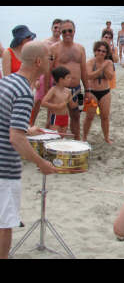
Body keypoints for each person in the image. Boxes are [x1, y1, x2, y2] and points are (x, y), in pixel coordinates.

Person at [0, 41, 58, 259]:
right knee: (5, 224)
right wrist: (40, 162)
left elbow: (7, 120)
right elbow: (16, 139)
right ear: (38, 61)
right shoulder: (25, 92)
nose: (52, 61)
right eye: (50, 57)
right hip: (5, 168)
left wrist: (26, 127)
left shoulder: (7, 82)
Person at [50, 19, 90, 141]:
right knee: (54, 117)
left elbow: (84, 71)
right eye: (64, 31)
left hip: (76, 90)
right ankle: (53, 142)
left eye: (70, 30)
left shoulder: (81, 48)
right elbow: (48, 70)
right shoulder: (53, 49)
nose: (67, 33)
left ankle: (76, 141)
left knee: (76, 117)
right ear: (61, 32)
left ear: (74, 31)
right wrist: (48, 90)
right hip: (59, 90)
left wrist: (87, 90)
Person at [30, 19, 62, 127]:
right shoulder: (45, 43)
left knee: (52, 104)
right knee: (37, 103)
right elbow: (36, 61)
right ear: (52, 28)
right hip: (43, 76)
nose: (57, 29)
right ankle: (30, 125)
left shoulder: (62, 45)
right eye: (55, 27)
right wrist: (36, 80)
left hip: (56, 78)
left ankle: (48, 128)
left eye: (59, 27)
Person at [82, 41, 114, 144]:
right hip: (92, 92)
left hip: (105, 92)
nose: (101, 53)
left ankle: (106, 137)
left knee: (104, 116)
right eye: (99, 50)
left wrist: (103, 68)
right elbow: (89, 76)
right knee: (89, 117)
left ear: (106, 53)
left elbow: (110, 77)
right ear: (95, 51)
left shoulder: (109, 62)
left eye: (104, 51)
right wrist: (101, 68)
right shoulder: (90, 62)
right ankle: (84, 137)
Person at [41, 66, 78, 134]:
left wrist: (80, 100)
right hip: (55, 117)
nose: (70, 79)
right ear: (61, 79)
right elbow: (43, 103)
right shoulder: (53, 90)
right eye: (68, 78)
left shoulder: (68, 91)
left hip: (65, 117)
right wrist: (56, 106)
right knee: (54, 136)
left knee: (62, 136)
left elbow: (73, 106)